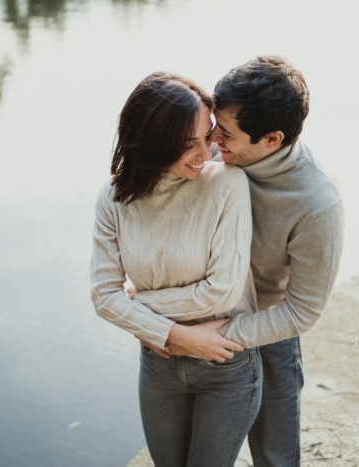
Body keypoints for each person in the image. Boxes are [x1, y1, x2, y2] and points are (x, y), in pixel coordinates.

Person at [158, 56, 345, 466]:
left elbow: (303, 310)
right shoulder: (210, 157)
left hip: (267, 328)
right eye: (213, 129)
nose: (210, 144)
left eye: (225, 135)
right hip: (193, 316)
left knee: (276, 456)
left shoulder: (316, 205)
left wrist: (224, 333)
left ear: (272, 139)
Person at [89, 72, 263, 467]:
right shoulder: (114, 197)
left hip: (226, 363)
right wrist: (174, 337)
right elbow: (103, 295)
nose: (207, 154)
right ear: (153, 142)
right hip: (159, 367)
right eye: (189, 145)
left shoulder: (228, 184)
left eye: (208, 137)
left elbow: (223, 291)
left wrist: (141, 307)